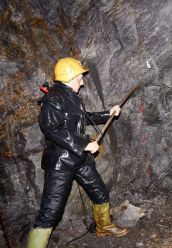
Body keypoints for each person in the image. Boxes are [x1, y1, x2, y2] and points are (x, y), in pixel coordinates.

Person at [27, 57, 128, 248]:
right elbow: (51, 129)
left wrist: (109, 113)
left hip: (80, 160)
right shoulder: (53, 99)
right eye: (80, 76)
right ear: (70, 76)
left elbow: (86, 118)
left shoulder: (71, 96)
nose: (82, 80)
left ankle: (104, 226)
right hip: (60, 163)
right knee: (50, 213)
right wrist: (83, 145)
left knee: (99, 191)